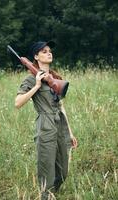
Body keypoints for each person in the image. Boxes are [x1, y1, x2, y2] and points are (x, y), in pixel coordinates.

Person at [15, 41, 77, 200]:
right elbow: (18, 103)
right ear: (36, 56)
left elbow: (61, 106)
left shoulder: (55, 78)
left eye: (50, 51)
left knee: (63, 172)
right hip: (45, 125)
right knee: (47, 170)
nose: (49, 53)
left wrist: (70, 133)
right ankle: (46, 195)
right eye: (44, 51)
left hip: (60, 124)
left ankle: (51, 193)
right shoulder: (30, 79)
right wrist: (36, 85)